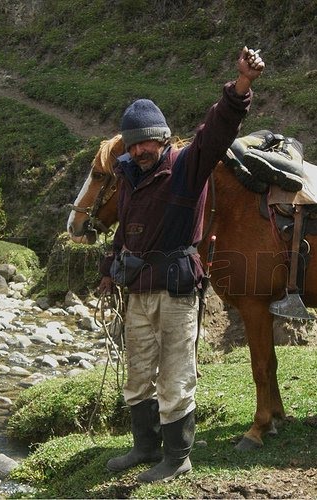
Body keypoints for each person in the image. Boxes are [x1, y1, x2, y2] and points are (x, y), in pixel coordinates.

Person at [99, 46, 265, 483]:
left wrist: (241, 85)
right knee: (138, 374)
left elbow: (218, 129)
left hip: (175, 291)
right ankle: (144, 447)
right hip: (136, 290)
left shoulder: (188, 166)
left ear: (164, 138)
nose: (141, 150)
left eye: (148, 141)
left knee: (174, 376)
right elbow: (125, 230)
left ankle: (177, 458)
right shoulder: (129, 178)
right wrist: (107, 269)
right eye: (134, 144)